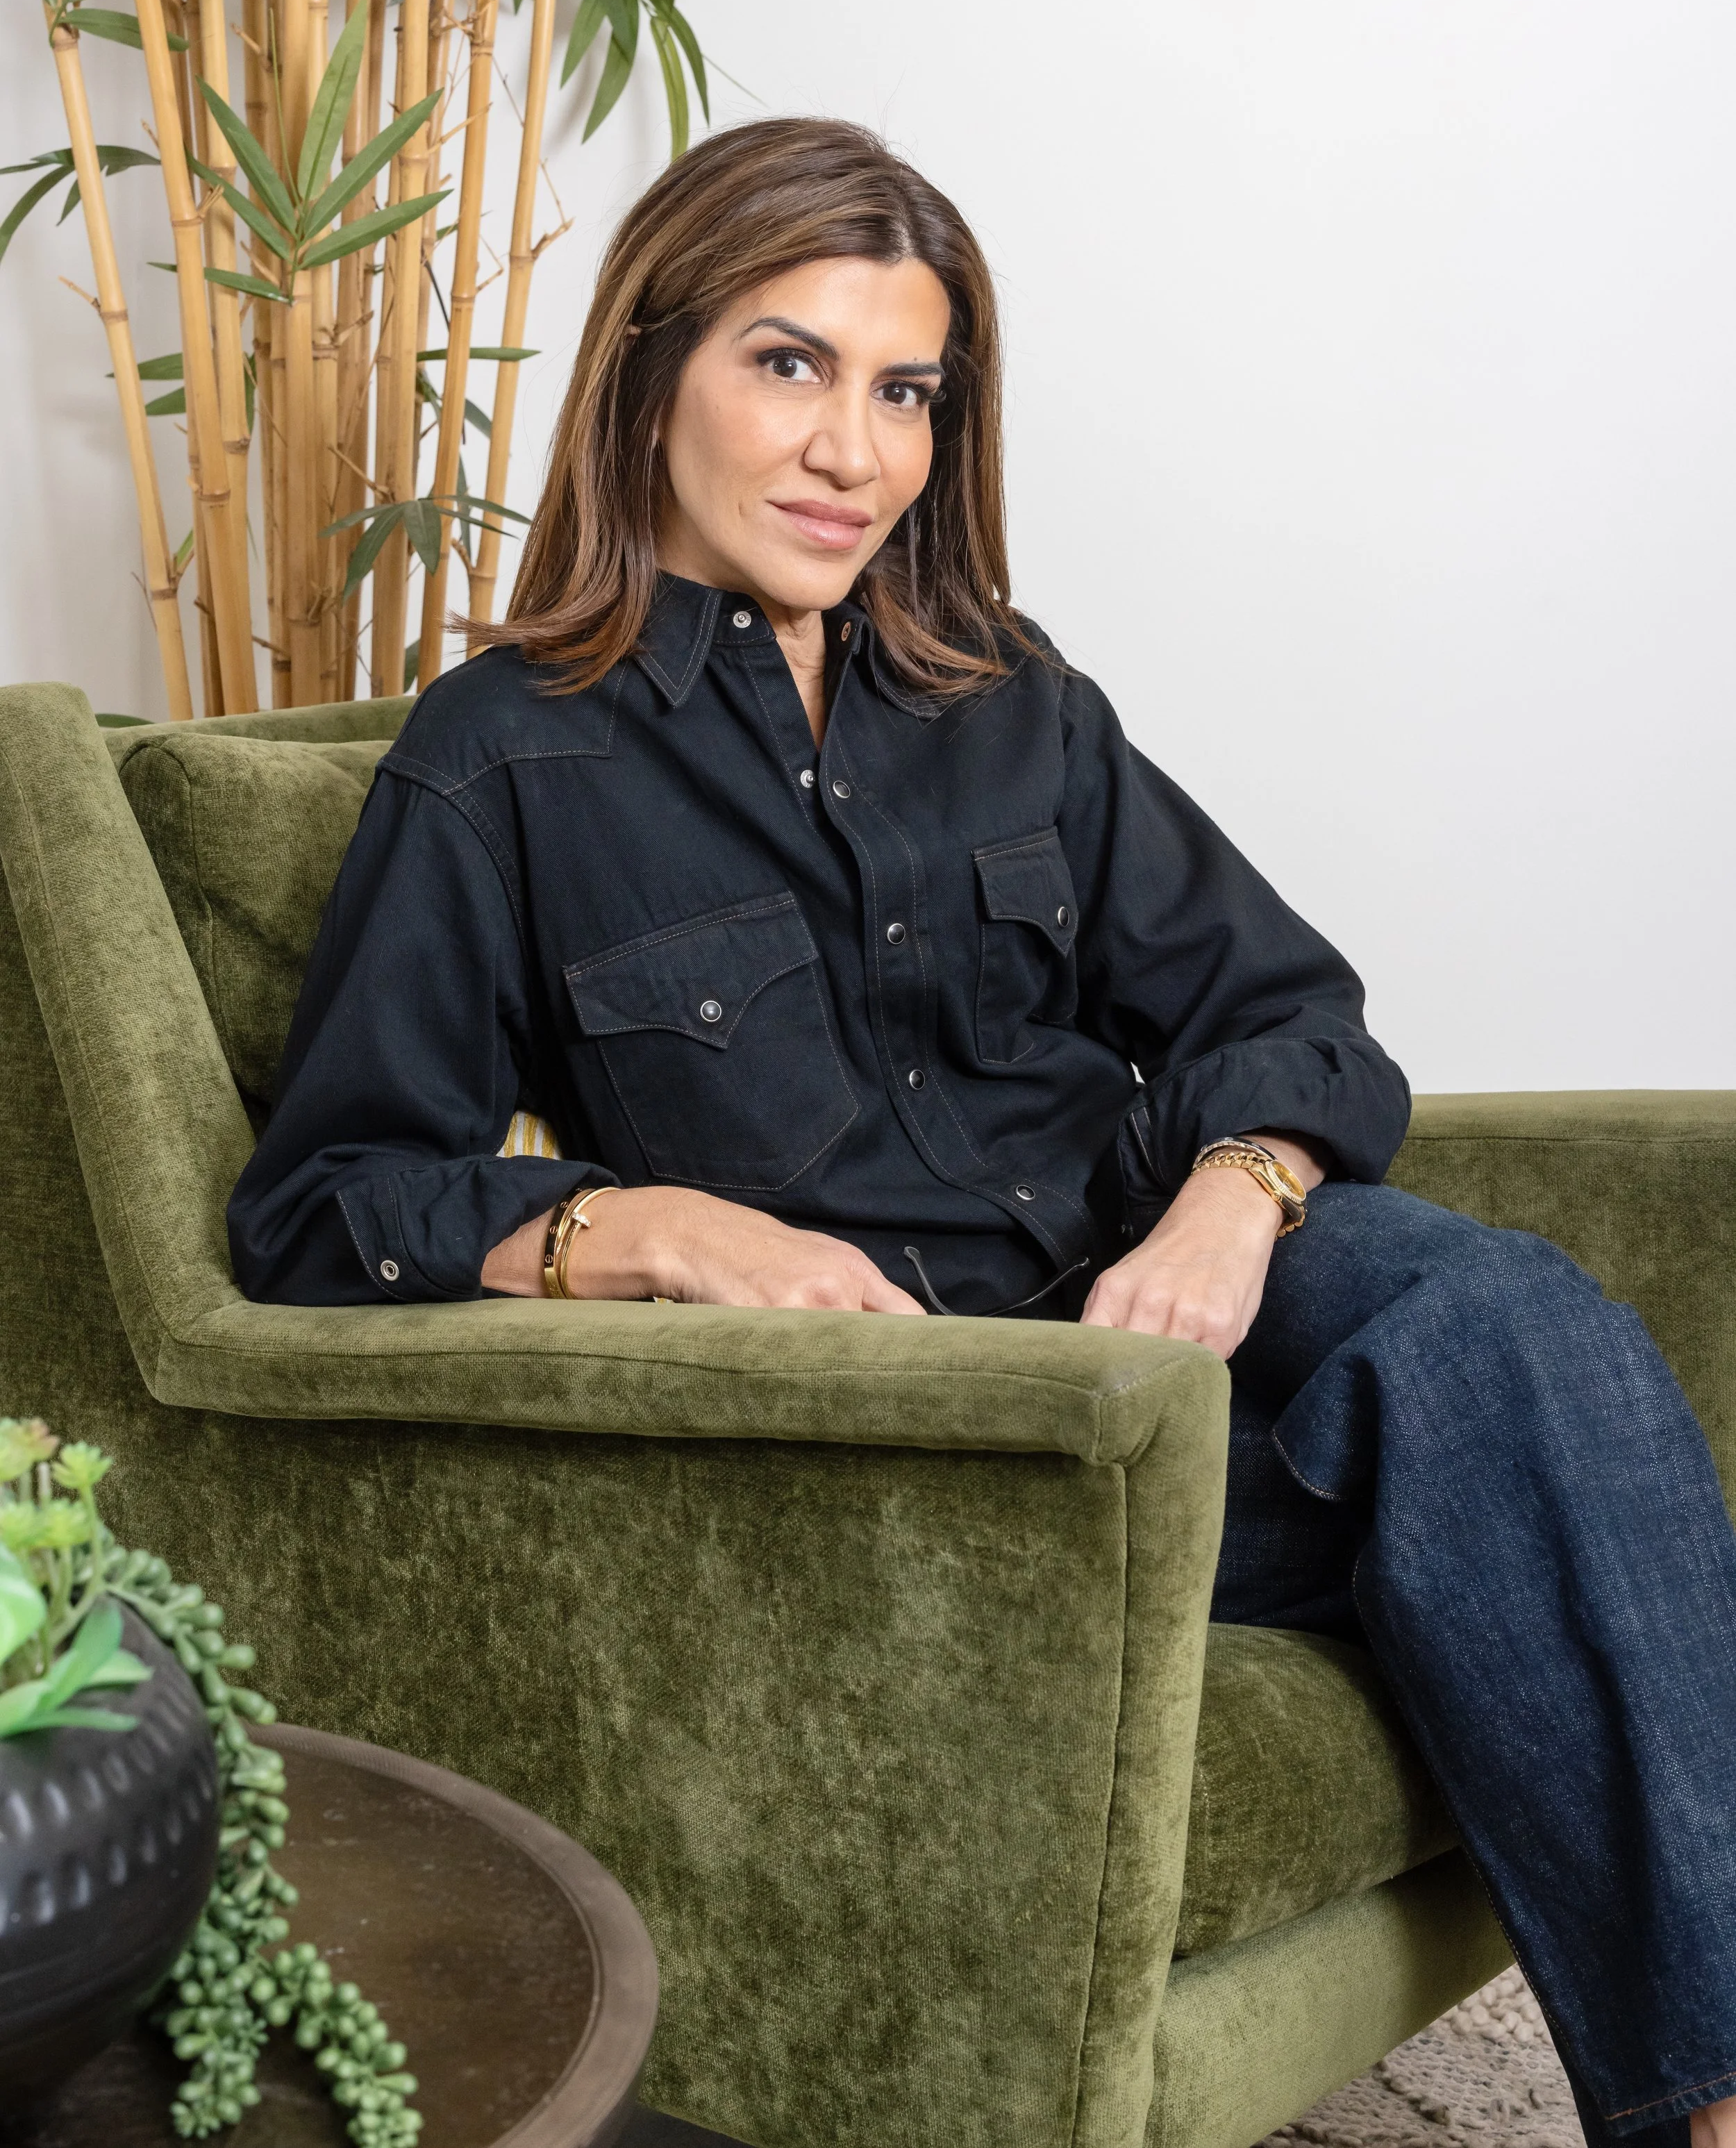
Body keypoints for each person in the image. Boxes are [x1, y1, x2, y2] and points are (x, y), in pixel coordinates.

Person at [231, 117, 1736, 2148]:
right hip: (963, 1449)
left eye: (905, 389)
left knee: (1499, 1326)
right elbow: (323, 1202)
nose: (852, 447)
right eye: (788, 363)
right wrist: (640, 1219)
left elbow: (1285, 1009)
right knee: (1507, 1440)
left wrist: (1233, 1191)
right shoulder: (505, 757)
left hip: (1176, 1342)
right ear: (651, 369)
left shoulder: (1006, 698)